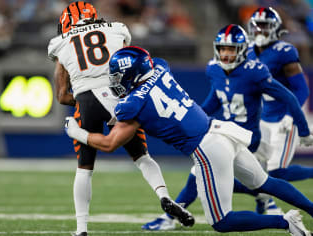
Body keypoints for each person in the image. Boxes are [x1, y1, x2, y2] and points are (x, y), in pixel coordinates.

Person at [65, 45, 313, 234]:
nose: (114, 80)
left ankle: (285, 221)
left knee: (221, 221)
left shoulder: (133, 104)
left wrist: (78, 133)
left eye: (118, 75)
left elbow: (110, 144)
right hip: (221, 131)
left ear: (131, 73)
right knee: (265, 182)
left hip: (207, 149)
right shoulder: (160, 68)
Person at [142, 23, 313, 230]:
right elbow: (214, 100)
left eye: (231, 49)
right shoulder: (214, 68)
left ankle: (170, 217)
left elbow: (288, 96)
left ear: (242, 50)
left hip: (249, 137)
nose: (225, 54)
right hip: (227, 132)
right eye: (222, 48)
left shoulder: (254, 71)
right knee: (259, 182)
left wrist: (303, 129)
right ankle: (266, 199)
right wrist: (192, 117)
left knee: (200, 174)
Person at [47, 2, 193, 236]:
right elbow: (130, 65)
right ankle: (164, 196)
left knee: (84, 169)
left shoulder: (60, 43)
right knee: (142, 157)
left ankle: (81, 229)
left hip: (86, 100)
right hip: (120, 97)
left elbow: (62, 96)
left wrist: (85, 102)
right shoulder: (117, 28)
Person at [247, 7, 313, 214]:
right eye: (256, 27)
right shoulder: (247, 51)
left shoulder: (284, 51)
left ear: (275, 28)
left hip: (285, 118)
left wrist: (289, 115)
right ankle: (263, 204)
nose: (259, 31)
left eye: (265, 26)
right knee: (253, 168)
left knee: (276, 171)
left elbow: (301, 88)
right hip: (263, 118)